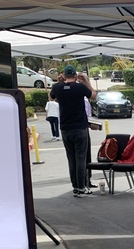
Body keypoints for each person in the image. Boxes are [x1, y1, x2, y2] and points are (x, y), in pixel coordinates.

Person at [50, 65, 97, 197]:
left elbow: (51, 97)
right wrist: (86, 82)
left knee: (71, 159)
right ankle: (81, 187)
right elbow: (93, 96)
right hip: (79, 127)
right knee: (81, 158)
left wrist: (59, 82)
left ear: (64, 75)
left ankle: (75, 186)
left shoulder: (57, 87)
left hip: (65, 128)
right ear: (75, 76)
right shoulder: (79, 87)